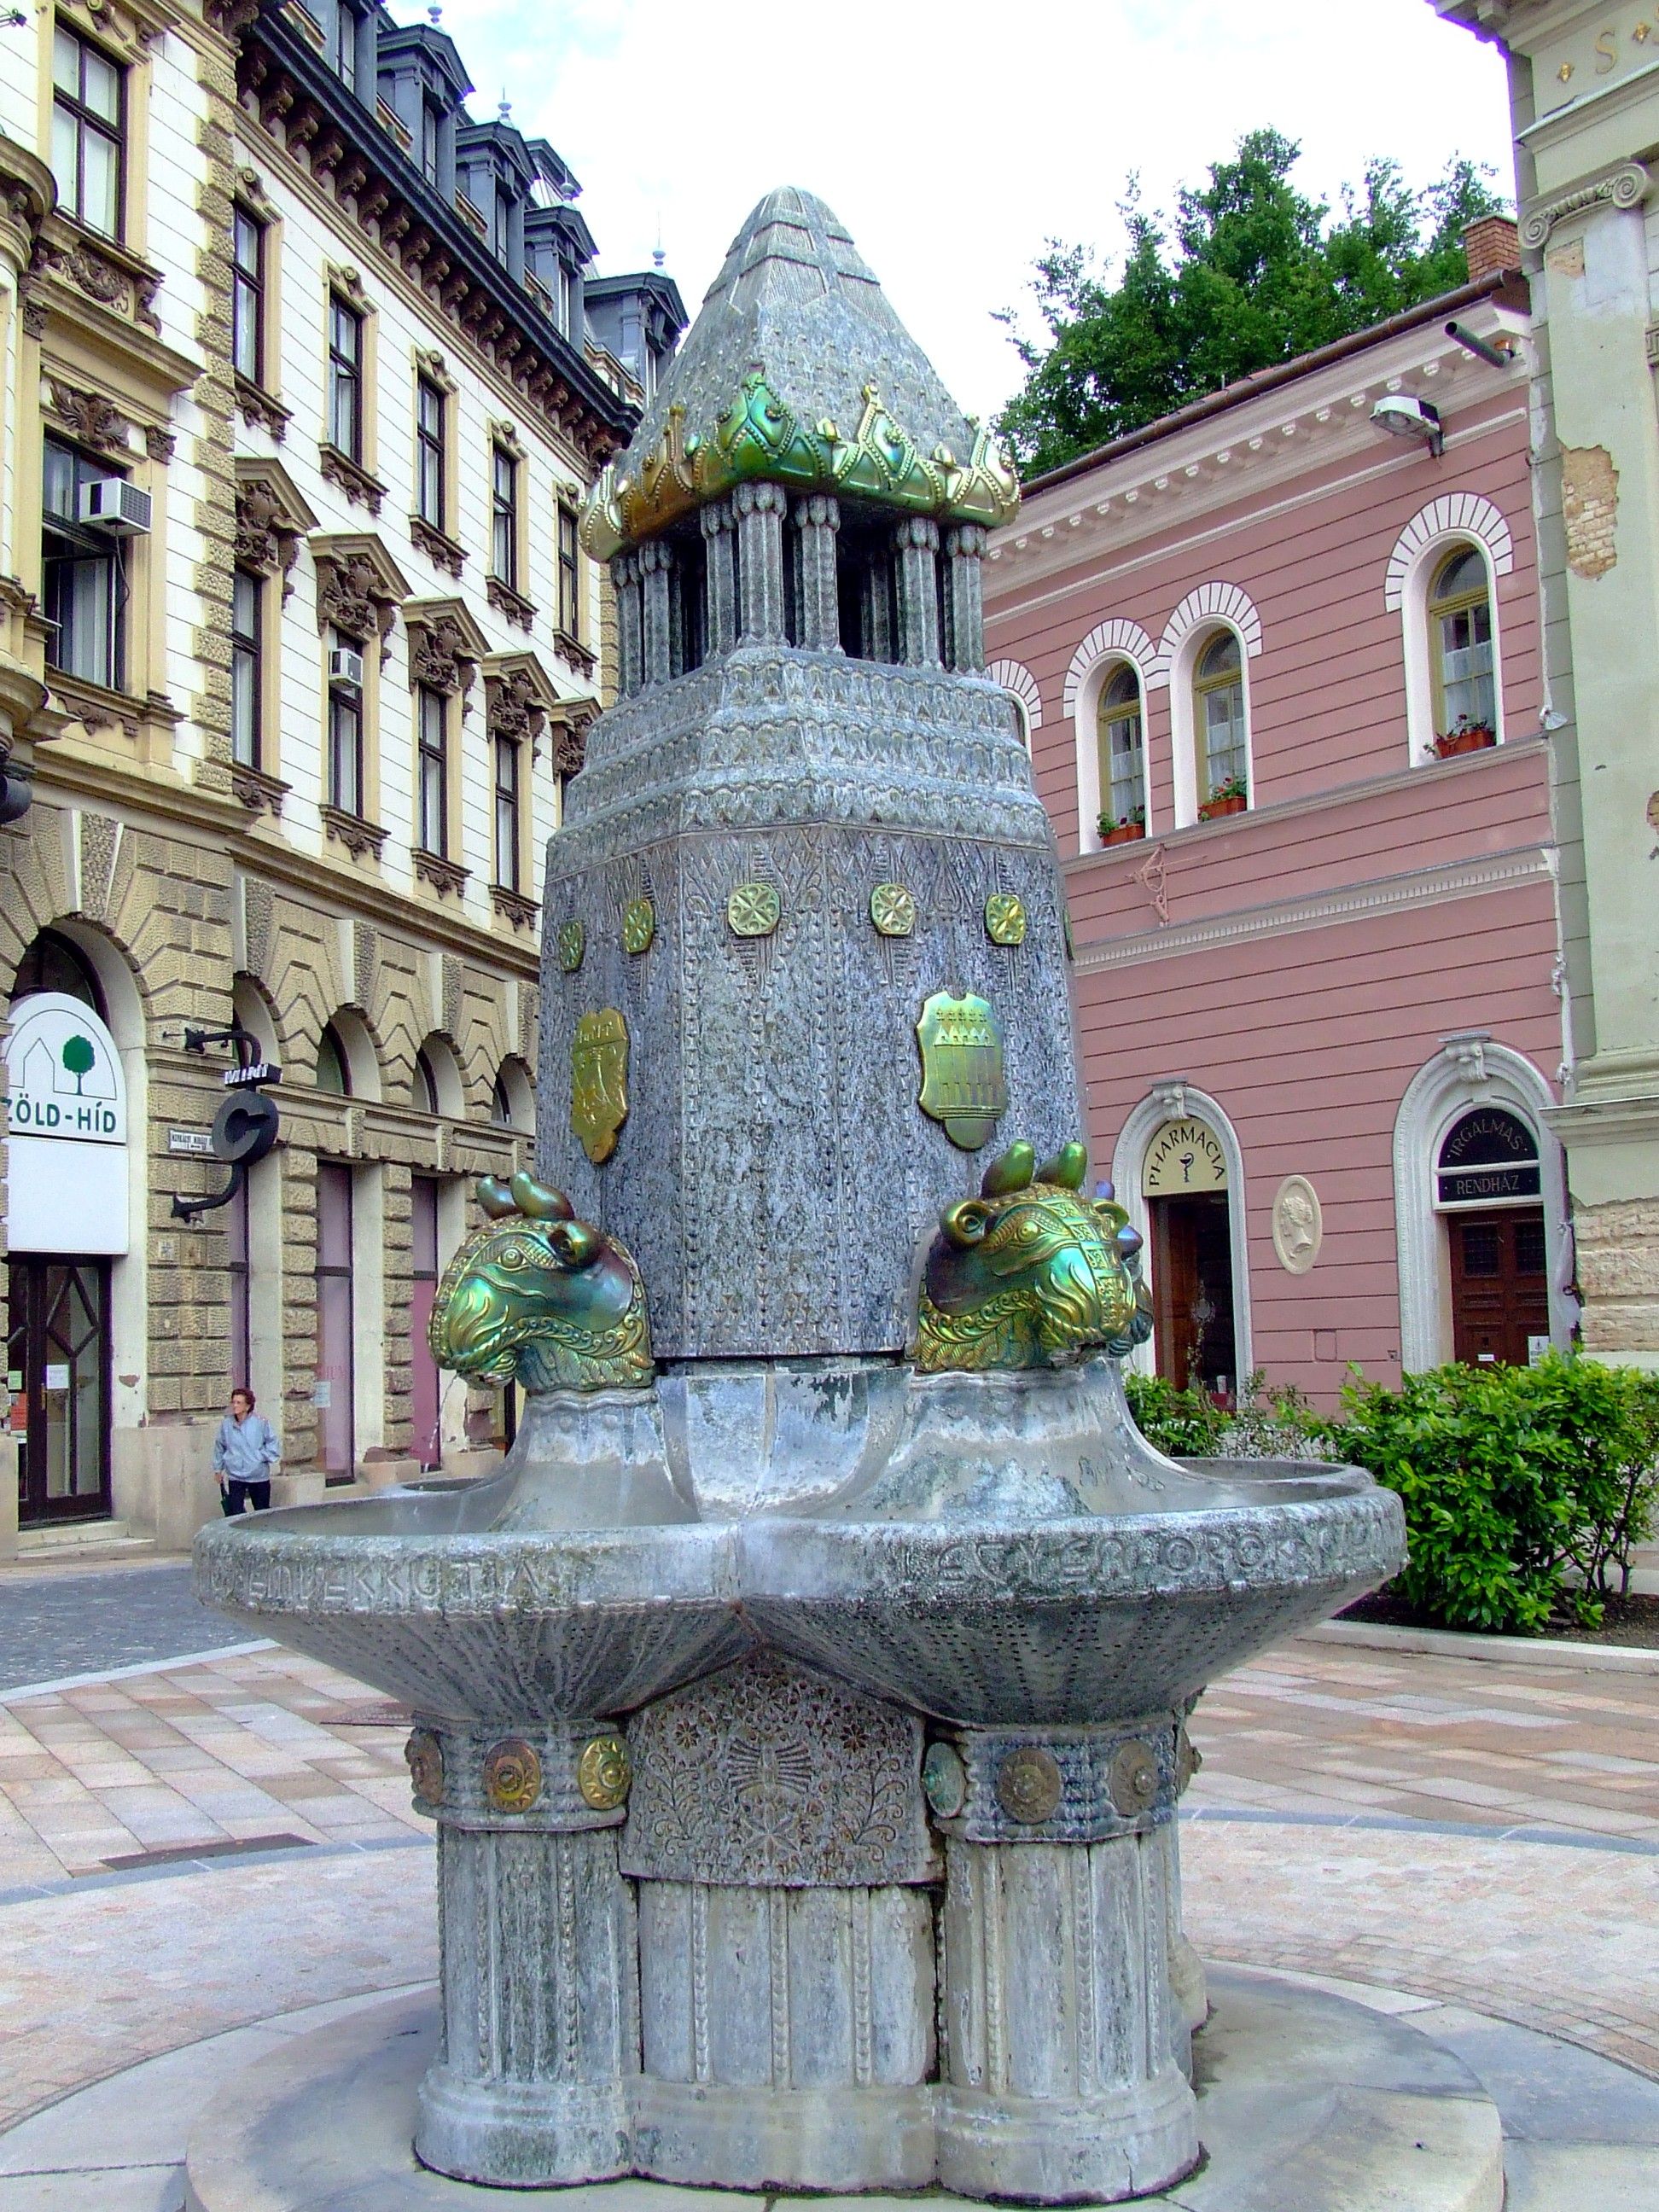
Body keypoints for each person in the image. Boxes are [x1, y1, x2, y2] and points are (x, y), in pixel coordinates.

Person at [214, 1387, 280, 1514]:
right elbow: (220, 1446)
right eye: (233, 1402)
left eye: (239, 1403)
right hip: (235, 1475)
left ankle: (261, 1534)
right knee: (235, 1512)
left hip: (258, 1476)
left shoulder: (260, 1423)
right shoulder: (227, 1424)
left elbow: (273, 1443)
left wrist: (260, 1457)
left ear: (248, 1406)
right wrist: (218, 1468)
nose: (235, 1406)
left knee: (262, 1512)